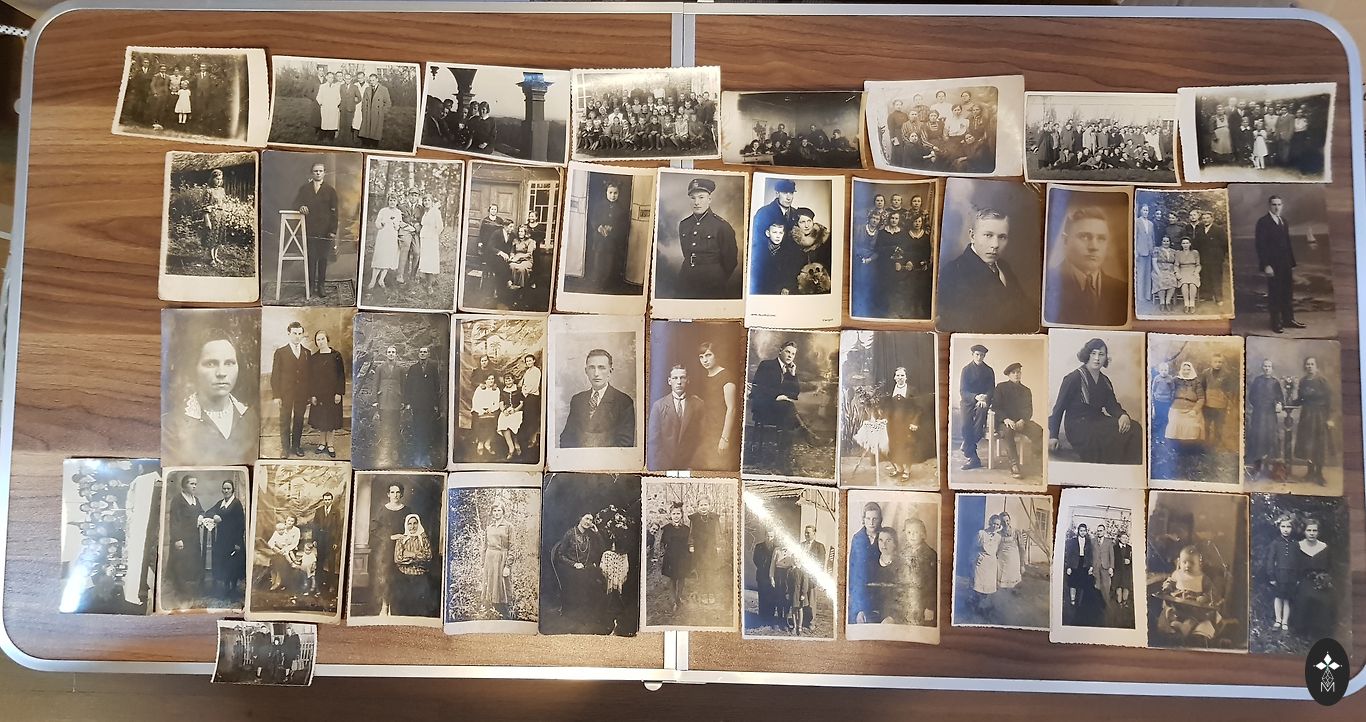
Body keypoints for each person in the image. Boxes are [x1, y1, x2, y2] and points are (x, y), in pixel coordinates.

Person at [163, 329, 257, 466]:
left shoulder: (251, 418)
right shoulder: (172, 425)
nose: (221, 373)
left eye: (229, 363)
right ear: (194, 368)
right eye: (211, 364)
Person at [1048, 337, 1143, 464]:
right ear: (1087, 355)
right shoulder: (1073, 378)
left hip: (1098, 421)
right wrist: (1053, 436)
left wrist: (1123, 415)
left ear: (1105, 358)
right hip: (1078, 426)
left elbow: (1112, 406)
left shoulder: (1105, 381)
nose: (1097, 358)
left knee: (1134, 428)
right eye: (1093, 353)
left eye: (1101, 354)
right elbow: (1058, 408)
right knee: (1103, 439)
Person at [936, 208, 1030, 332]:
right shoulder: (953, 272)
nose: (995, 245)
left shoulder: (1004, 267)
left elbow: (1024, 308)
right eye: (988, 235)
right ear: (972, 236)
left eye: (1002, 237)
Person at [1045, 205, 1128, 327]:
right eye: (1084, 237)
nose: (1094, 247)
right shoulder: (1047, 284)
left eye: (1101, 238)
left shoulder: (1122, 290)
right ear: (1065, 240)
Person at [674, 177, 739, 299]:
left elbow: (730, 261)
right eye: (693, 198)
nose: (696, 202)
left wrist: (717, 278)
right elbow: (686, 253)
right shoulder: (684, 224)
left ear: (709, 199)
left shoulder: (722, 226)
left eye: (701, 197)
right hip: (685, 280)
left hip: (712, 283)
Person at [559, 349, 636, 448]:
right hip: (579, 457)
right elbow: (566, 438)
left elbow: (625, 444)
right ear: (586, 371)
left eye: (601, 368)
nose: (596, 373)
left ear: (610, 371)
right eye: (592, 368)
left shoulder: (624, 402)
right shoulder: (577, 400)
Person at [1255, 195, 1304, 333]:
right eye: (1274, 204)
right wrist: (1266, 265)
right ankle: (1275, 322)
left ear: (1282, 206)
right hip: (1273, 265)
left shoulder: (1283, 221)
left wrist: (1291, 263)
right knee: (1275, 293)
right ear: (1269, 206)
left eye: (1279, 204)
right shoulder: (1263, 222)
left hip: (1285, 264)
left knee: (1287, 292)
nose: (1277, 207)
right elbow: (1260, 245)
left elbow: (1287, 244)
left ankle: (1288, 320)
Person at [292, 162, 339, 299]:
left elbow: (335, 212)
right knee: (311, 258)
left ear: (324, 173)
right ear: (312, 173)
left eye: (320, 171)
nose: (318, 173)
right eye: (315, 171)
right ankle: (311, 285)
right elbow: (295, 203)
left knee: (323, 258)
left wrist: (333, 230)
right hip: (310, 230)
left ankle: (321, 286)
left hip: (325, 231)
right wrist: (301, 206)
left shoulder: (330, 190)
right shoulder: (305, 189)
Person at [647, 364, 705, 471]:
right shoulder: (658, 406)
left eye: (682, 378)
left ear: (688, 380)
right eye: (675, 378)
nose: (679, 382)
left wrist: (694, 465)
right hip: (665, 466)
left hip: (690, 467)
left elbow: (702, 438)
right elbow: (653, 442)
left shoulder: (698, 405)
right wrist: (661, 468)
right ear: (669, 381)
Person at [992, 362, 1044, 479]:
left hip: (1021, 422)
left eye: (1018, 372)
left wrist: (1023, 420)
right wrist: (1005, 419)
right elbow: (995, 407)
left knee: (1038, 430)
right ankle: (1014, 465)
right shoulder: (1001, 388)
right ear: (1008, 375)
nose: (1016, 375)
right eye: (1013, 372)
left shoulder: (1026, 390)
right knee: (1008, 431)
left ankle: (1037, 461)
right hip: (1004, 422)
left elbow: (1028, 409)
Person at [693, 342, 739, 472]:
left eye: (708, 355)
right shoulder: (704, 377)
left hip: (720, 430)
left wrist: (725, 438)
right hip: (706, 429)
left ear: (716, 355)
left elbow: (732, 409)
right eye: (701, 357)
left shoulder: (726, 376)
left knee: (717, 467)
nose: (705, 360)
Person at [551, 513, 603, 622]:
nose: (588, 522)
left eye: (591, 520)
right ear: (580, 519)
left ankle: (591, 614)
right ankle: (577, 615)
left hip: (584, 567)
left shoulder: (590, 535)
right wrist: (574, 564)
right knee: (581, 578)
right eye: (586, 518)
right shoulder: (570, 533)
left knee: (598, 576)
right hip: (569, 567)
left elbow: (602, 548)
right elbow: (560, 555)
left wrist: (597, 532)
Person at [271, 321, 313, 459]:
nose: (297, 336)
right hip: (285, 393)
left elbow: (309, 376)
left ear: (302, 335)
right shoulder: (280, 352)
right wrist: (276, 395)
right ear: (289, 334)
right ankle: (285, 449)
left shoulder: (307, 353)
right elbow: (275, 375)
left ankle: (296, 446)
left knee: (299, 420)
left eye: (300, 333)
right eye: (294, 333)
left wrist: (309, 394)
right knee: (285, 420)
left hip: (301, 393)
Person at [369, 483, 411, 615]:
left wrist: (405, 538)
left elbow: (412, 528)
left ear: (401, 494)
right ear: (388, 494)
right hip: (386, 549)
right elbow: (374, 530)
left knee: (400, 577)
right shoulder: (382, 510)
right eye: (392, 492)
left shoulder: (407, 511)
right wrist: (391, 537)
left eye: (398, 492)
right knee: (386, 576)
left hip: (403, 547)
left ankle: (396, 608)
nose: (395, 495)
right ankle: (385, 606)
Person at [584, 178, 632, 292]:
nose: (613, 195)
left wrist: (612, 228)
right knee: (598, 260)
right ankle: (597, 281)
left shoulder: (621, 209)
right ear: (606, 192)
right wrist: (599, 227)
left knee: (609, 262)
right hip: (599, 240)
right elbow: (594, 218)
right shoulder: (599, 206)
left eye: (615, 193)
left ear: (619, 194)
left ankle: (606, 282)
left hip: (612, 241)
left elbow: (623, 224)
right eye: (610, 193)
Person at [884, 366, 929, 480]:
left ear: (906, 377)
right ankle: (899, 469)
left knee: (908, 446)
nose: (900, 377)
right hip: (893, 423)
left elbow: (919, 408)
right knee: (894, 445)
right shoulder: (891, 389)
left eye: (902, 375)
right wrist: (885, 418)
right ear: (894, 377)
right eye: (898, 375)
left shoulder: (912, 390)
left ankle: (907, 471)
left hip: (907, 423)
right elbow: (888, 406)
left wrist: (914, 422)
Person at [1295, 356, 1334, 484]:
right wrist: (1287, 403)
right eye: (1307, 364)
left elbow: (1329, 401)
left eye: (1312, 364)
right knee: (1308, 445)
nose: (1309, 366)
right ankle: (1310, 472)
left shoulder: (1322, 381)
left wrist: (1329, 418)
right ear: (1305, 366)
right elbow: (1300, 399)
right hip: (1306, 416)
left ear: (1316, 367)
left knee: (1319, 445)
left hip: (1320, 417)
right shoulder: (1303, 381)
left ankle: (1319, 474)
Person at [306, 330, 345, 458]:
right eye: (318, 340)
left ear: (327, 339)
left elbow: (341, 375)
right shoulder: (314, 358)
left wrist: (339, 392)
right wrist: (312, 395)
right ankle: (322, 443)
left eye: (322, 339)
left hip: (332, 394)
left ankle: (331, 445)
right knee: (321, 420)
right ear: (316, 342)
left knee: (331, 420)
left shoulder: (336, 356)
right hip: (319, 394)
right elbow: (311, 378)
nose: (320, 342)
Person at [205, 478, 246, 597]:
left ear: (232, 490)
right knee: (224, 564)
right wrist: (215, 515)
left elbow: (241, 524)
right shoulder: (220, 503)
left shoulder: (236, 504)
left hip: (234, 540)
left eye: (228, 488)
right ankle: (226, 588)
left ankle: (233, 589)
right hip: (222, 539)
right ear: (222, 490)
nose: (226, 491)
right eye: (224, 488)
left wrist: (238, 543)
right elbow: (209, 511)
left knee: (233, 565)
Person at [364, 346, 404, 466]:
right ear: (386, 354)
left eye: (393, 352)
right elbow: (375, 385)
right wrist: (375, 400)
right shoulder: (380, 368)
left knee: (395, 427)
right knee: (384, 427)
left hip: (396, 401)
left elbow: (404, 385)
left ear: (396, 354)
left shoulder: (400, 369)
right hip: (383, 401)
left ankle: (394, 451)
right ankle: (384, 453)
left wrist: (403, 401)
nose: (391, 354)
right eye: (389, 352)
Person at [167, 475, 205, 598]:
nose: (194, 486)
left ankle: (193, 590)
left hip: (194, 538)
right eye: (191, 484)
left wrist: (201, 516)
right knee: (181, 564)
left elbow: (201, 511)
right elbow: (174, 521)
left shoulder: (195, 499)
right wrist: (177, 539)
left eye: (195, 484)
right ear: (184, 485)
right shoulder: (178, 500)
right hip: (182, 538)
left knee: (193, 563)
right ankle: (181, 592)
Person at [403, 347, 443, 465]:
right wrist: (408, 402)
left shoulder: (432, 368)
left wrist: (436, 404)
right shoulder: (413, 368)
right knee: (418, 429)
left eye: (425, 352)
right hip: (417, 405)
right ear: (418, 354)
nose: (422, 354)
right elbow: (408, 386)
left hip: (429, 405)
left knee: (427, 430)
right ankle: (418, 456)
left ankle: (425, 456)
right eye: (421, 352)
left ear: (428, 354)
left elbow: (436, 387)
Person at [957, 344, 994, 471]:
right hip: (968, 401)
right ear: (973, 355)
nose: (979, 357)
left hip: (983, 402)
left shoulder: (989, 370)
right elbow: (963, 391)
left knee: (980, 421)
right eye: (977, 354)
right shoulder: (966, 370)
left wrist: (985, 397)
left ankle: (969, 450)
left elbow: (991, 389)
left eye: (982, 355)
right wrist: (976, 397)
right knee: (965, 426)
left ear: (984, 356)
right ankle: (972, 455)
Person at [393, 513, 434, 617]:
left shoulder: (423, 539)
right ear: (406, 525)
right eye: (409, 524)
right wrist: (418, 555)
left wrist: (410, 554)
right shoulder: (401, 540)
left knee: (419, 608)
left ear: (418, 524)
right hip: (404, 577)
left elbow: (428, 557)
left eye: (415, 523)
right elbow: (398, 559)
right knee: (404, 608)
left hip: (420, 577)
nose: (412, 526)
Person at [848, 502, 882, 624]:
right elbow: (853, 569)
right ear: (863, 519)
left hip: (880, 589)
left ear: (880, 519)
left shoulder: (885, 536)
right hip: (862, 589)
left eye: (875, 519)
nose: (871, 522)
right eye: (868, 518)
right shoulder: (857, 538)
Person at [900, 517, 937, 626]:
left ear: (923, 534)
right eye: (909, 532)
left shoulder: (930, 555)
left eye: (916, 532)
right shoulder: (903, 553)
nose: (912, 535)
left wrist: (930, 607)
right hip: (907, 600)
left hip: (923, 601)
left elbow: (932, 584)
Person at [789, 525, 826, 635]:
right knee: (802, 599)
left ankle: (811, 622)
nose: (806, 535)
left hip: (812, 577)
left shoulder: (819, 546)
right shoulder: (801, 545)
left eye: (808, 533)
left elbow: (821, 563)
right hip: (801, 577)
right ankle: (802, 620)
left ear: (814, 533)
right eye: (805, 532)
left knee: (811, 601)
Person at [480, 500, 514, 618]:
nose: (496, 513)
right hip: (489, 559)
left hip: (501, 559)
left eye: (499, 510)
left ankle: (506, 614)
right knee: (489, 585)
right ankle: (491, 612)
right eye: (494, 510)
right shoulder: (489, 528)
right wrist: (483, 564)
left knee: (502, 586)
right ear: (492, 512)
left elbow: (512, 547)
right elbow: (484, 547)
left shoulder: (508, 527)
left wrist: (507, 566)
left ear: (503, 512)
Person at [1265, 514, 1298, 632]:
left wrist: (1297, 577)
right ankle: (1278, 620)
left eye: (1288, 527)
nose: (1285, 529)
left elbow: (1297, 561)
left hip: (1291, 575)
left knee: (1287, 599)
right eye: (1283, 526)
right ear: (1279, 527)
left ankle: (1285, 621)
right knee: (1278, 597)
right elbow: (1270, 560)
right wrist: (1271, 576)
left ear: (1292, 528)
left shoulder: (1295, 544)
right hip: (1279, 574)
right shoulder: (1275, 543)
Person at [657, 504, 691, 614]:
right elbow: (662, 543)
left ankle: (678, 597)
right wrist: (662, 554)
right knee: (672, 579)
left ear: (681, 515)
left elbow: (689, 542)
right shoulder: (666, 528)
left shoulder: (686, 529)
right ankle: (673, 601)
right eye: (674, 514)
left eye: (678, 513)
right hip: (671, 557)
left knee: (681, 578)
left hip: (682, 558)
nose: (676, 516)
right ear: (670, 515)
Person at [367, 194, 402, 290]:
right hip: (383, 236)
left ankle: (381, 279)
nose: (392, 202)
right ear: (388, 201)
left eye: (394, 200)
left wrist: (396, 225)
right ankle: (373, 280)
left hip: (392, 237)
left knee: (388, 258)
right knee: (380, 257)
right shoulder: (383, 211)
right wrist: (381, 224)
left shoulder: (398, 212)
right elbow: (377, 223)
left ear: (397, 202)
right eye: (391, 200)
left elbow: (399, 226)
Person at [1201, 352, 1235, 448]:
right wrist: (1203, 400)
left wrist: (1228, 404)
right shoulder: (1205, 373)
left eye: (1220, 362)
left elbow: (1229, 390)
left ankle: (1216, 446)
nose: (1218, 364)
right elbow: (1202, 387)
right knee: (1206, 425)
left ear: (1222, 363)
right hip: (1207, 404)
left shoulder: (1227, 374)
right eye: (1215, 362)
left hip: (1221, 405)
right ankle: (1205, 445)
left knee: (1218, 426)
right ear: (1211, 362)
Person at [312, 491, 343, 594]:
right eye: (325, 499)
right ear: (323, 500)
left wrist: (336, 542)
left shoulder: (336, 511)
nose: (327, 501)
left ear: (332, 500)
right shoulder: (319, 511)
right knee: (319, 562)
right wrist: (314, 539)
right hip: (321, 539)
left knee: (331, 563)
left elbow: (338, 528)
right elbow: (315, 526)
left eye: (329, 499)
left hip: (331, 540)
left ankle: (331, 585)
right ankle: (319, 585)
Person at [266, 515, 303, 592]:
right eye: (288, 520)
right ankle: (276, 580)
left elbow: (295, 543)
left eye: (292, 521)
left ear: (294, 522)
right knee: (276, 558)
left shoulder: (296, 530)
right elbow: (270, 542)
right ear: (285, 520)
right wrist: (275, 548)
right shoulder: (281, 528)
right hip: (279, 550)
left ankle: (279, 581)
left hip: (291, 550)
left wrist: (285, 549)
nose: (290, 522)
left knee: (282, 559)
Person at [470, 373, 502, 458]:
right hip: (480, 409)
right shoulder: (480, 389)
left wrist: (491, 409)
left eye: (492, 379)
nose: (491, 381)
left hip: (491, 410)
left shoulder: (496, 390)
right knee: (479, 420)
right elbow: (475, 401)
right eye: (489, 379)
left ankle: (487, 443)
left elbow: (497, 402)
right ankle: (480, 443)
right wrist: (482, 410)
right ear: (485, 380)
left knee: (495, 419)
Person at [358, 74, 392, 148]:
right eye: (370, 81)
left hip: (377, 113)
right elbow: (364, 101)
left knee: (376, 129)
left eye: (373, 80)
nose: (372, 82)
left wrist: (382, 112)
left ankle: (374, 144)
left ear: (377, 80)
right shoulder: (367, 89)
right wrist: (363, 110)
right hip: (368, 113)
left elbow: (388, 103)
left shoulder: (384, 89)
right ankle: (366, 143)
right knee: (366, 128)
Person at [1064, 523, 1093, 609]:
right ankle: (1072, 600)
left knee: (1082, 583)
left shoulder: (1088, 542)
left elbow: (1090, 555)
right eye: (1081, 531)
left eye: (1084, 531)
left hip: (1084, 564)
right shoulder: (1072, 541)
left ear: (1086, 531)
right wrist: (1069, 567)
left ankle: (1080, 602)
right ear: (1078, 531)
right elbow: (1069, 555)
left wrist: (1090, 566)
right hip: (1074, 564)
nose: (1083, 532)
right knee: (1073, 582)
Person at [752, 528, 778, 625]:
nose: (769, 538)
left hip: (772, 576)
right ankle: (762, 617)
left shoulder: (776, 548)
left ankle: (770, 617)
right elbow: (755, 559)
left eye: (771, 536)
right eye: (767, 536)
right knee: (762, 596)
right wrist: (763, 567)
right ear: (765, 536)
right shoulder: (759, 546)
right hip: (762, 575)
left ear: (774, 537)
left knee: (772, 596)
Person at [973, 514, 1003, 597]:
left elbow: (997, 550)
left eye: (997, 524)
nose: (995, 526)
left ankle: (985, 602)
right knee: (978, 585)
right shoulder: (981, 533)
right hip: (981, 561)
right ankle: (976, 601)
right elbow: (974, 547)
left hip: (991, 563)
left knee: (988, 586)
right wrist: (977, 556)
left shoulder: (998, 537)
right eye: (994, 523)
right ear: (990, 522)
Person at [519, 354, 543, 452]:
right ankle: (528, 439)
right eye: (527, 361)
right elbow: (523, 384)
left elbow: (534, 385)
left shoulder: (536, 371)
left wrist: (526, 392)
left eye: (530, 360)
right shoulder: (527, 372)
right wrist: (524, 391)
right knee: (527, 418)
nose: (528, 362)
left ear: (534, 361)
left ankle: (533, 440)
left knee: (533, 419)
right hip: (527, 396)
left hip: (533, 397)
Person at [996, 512, 1025, 590]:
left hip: (1013, 561)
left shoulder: (1016, 532)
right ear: (1000, 522)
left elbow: (1022, 549)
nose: (1006, 523)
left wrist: (1022, 565)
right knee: (1001, 584)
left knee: (1013, 584)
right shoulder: (998, 533)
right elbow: (996, 548)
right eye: (1003, 521)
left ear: (1010, 520)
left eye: (1007, 520)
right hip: (1001, 561)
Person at [1150, 361, 1177, 443]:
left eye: (1165, 370)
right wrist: (1154, 398)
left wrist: (1171, 398)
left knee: (1165, 418)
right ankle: (1157, 436)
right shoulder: (1157, 378)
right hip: (1158, 401)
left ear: (1168, 370)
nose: (1164, 372)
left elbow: (1173, 389)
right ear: (1159, 370)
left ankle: (1163, 436)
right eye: (1162, 370)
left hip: (1166, 401)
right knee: (1158, 418)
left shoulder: (1170, 379)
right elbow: (1153, 389)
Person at [418, 194, 443, 279]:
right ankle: (426, 278)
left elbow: (440, 227)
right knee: (425, 258)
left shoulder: (435, 212)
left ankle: (430, 282)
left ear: (432, 202)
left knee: (431, 258)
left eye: (429, 200)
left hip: (431, 238)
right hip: (424, 237)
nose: (427, 202)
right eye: (425, 200)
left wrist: (434, 235)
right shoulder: (425, 212)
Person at [1173, 237, 1201, 314]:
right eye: (1183, 243)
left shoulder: (1195, 252)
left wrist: (1196, 272)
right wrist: (1177, 273)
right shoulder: (1178, 253)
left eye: (1187, 243)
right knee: (1184, 284)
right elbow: (1176, 265)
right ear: (1181, 245)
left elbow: (1198, 265)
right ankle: (1186, 304)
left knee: (1192, 284)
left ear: (1190, 244)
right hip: (1182, 271)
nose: (1185, 245)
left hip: (1193, 271)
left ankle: (1192, 304)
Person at [1134, 203, 1155, 306]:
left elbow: (1152, 238)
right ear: (1140, 211)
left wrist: (1152, 249)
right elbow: (1135, 237)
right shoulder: (1137, 222)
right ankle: (1140, 296)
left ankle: (1147, 295)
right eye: (1144, 210)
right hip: (1140, 251)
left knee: (1148, 274)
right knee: (1141, 274)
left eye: (1147, 210)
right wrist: (1136, 252)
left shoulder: (1151, 224)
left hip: (1149, 252)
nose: (1145, 212)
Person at [1152, 236, 1179, 312]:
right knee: (1161, 280)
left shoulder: (1173, 251)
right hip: (1159, 270)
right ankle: (1162, 302)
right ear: (1161, 242)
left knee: (1173, 280)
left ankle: (1168, 302)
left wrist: (1174, 271)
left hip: (1170, 271)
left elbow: (1176, 263)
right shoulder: (1157, 250)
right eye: (1164, 241)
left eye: (1167, 241)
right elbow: (1154, 262)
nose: (1166, 243)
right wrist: (1158, 273)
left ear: (1170, 242)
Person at [1092, 524, 1116, 611]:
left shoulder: (1109, 542)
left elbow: (1112, 555)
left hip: (1105, 567)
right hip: (1095, 567)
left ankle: (1106, 606)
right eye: (1098, 531)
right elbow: (1091, 554)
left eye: (1101, 530)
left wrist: (1111, 567)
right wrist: (1091, 566)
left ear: (1104, 531)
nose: (1099, 532)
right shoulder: (1093, 541)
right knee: (1096, 587)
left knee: (1106, 588)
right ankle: (1097, 607)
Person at [316, 72, 341, 142]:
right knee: (325, 122)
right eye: (329, 77)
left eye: (332, 78)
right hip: (325, 107)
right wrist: (322, 104)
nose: (331, 79)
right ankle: (322, 137)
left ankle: (331, 138)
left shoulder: (336, 87)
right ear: (326, 77)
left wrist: (336, 105)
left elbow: (339, 98)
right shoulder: (322, 86)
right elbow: (318, 97)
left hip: (333, 108)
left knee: (332, 123)